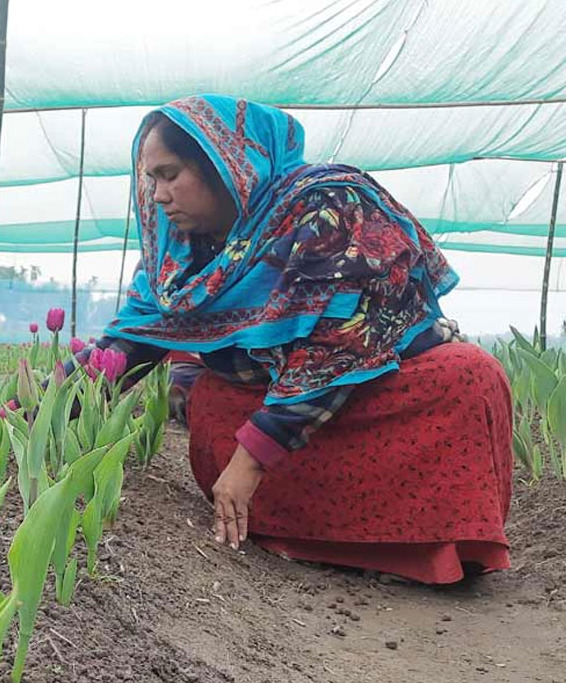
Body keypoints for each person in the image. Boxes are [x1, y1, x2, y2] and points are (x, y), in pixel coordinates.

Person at [69, 94, 512, 585]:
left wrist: (251, 460)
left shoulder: (327, 207)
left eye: (170, 174)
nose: (156, 195)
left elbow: (337, 344)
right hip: (279, 409)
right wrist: (20, 417)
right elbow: (125, 348)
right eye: (150, 179)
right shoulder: (177, 259)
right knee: (214, 403)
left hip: (378, 390)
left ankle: (434, 549)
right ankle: (307, 539)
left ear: (227, 165)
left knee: (469, 375)